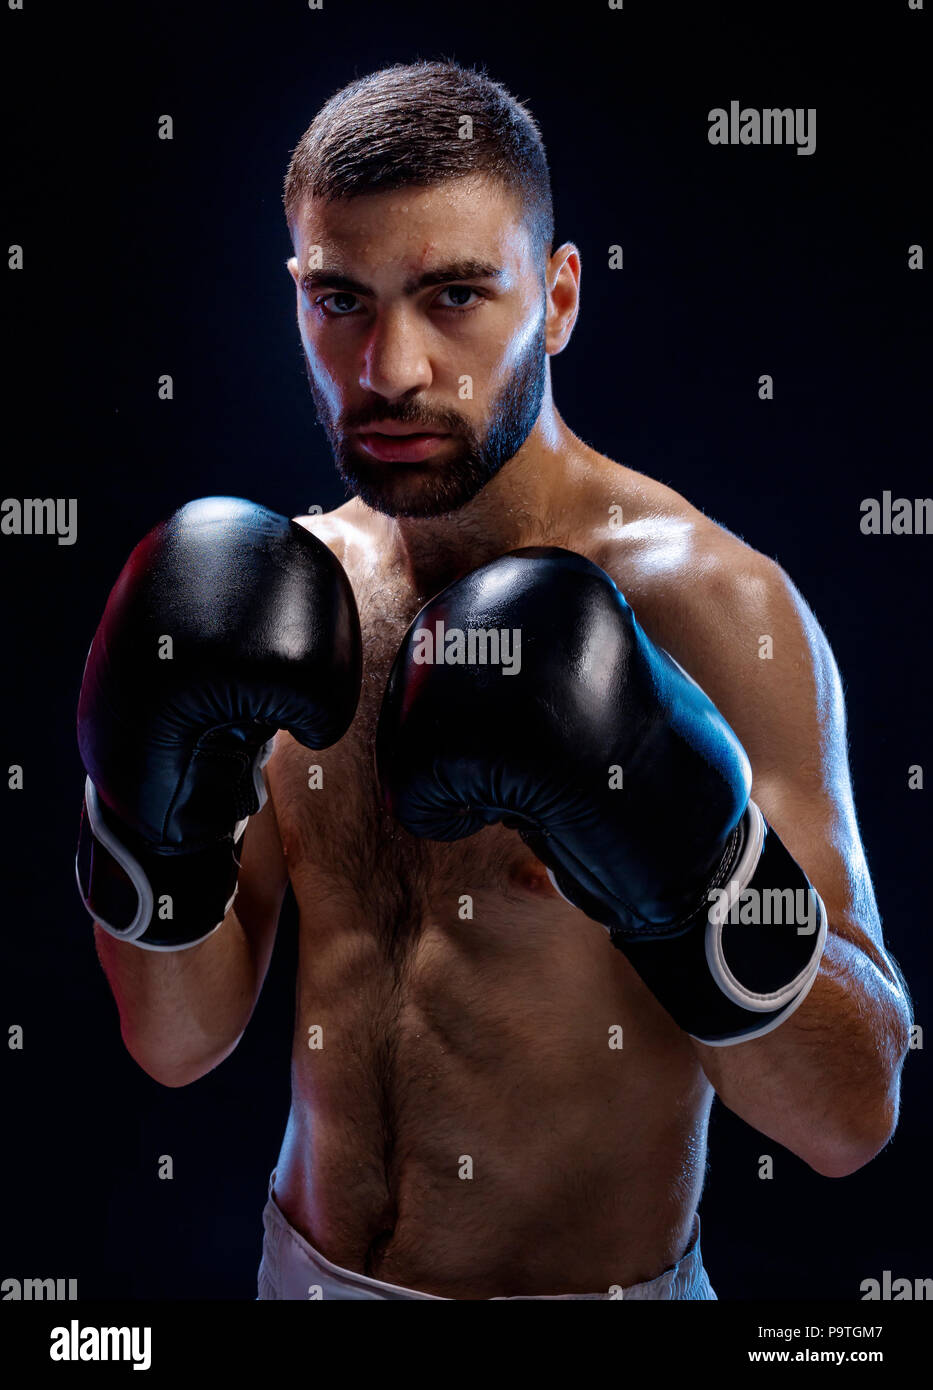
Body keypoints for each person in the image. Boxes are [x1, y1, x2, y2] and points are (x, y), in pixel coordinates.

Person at [76, 61, 912, 1300]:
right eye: (340, 300)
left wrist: (688, 865)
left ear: (559, 298)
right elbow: (179, 1039)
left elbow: (849, 1115)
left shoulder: (711, 607)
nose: (391, 368)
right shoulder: (283, 598)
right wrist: (142, 809)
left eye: (456, 294)